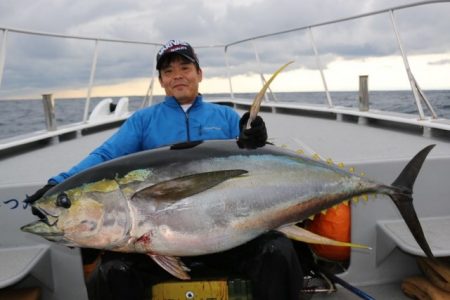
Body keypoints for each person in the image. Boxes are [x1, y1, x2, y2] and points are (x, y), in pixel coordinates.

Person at [26, 40, 303, 300]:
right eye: (168, 71)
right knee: (112, 271)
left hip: (227, 232)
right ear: (161, 81)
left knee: (278, 251)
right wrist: (58, 183)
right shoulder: (144, 121)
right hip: (158, 239)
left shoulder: (226, 116)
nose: (178, 75)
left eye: (185, 68)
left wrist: (256, 139)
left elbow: (265, 168)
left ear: (200, 73)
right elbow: (106, 155)